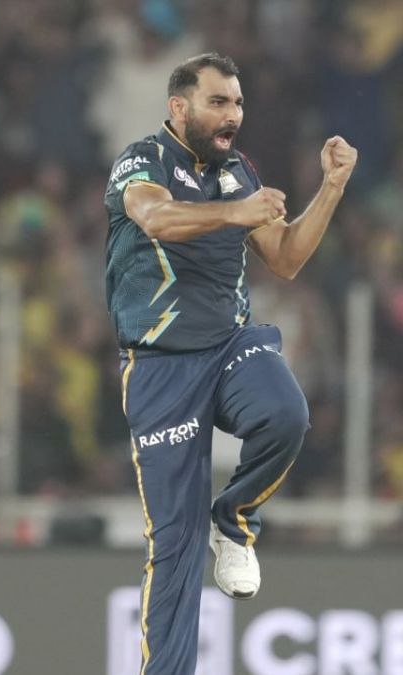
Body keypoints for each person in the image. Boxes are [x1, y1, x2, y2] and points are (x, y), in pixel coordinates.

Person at [103, 52, 357, 674]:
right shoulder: (142, 160)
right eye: (218, 102)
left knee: (285, 414)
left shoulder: (236, 171)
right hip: (160, 365)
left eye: (238, 103)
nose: (233, 115)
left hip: (228, 346)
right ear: (179, 107)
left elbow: (286, 258)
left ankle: (236, 518)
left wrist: (331, 187)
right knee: (176, 545)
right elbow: (155, 217)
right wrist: (236, 213)